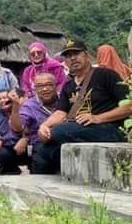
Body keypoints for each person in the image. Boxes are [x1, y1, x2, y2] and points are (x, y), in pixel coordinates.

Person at [33, 40, 129, 174]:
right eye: (68, 56)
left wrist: (98, 118)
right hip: (79, 129)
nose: (72, 58)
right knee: (41, 149)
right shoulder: (68, 85)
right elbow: (61, 112)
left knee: (59, 131)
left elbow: (129, 106)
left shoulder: (106, 75)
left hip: (110, 128)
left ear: (87, 55)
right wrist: (44, 126)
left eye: (76, 53)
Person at [13, 73, 59, 170]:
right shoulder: (29, 105)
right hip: (41, 144)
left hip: (63, 139)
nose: (45, 89)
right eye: (40, 86)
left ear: (56, 85)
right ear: (35, 89)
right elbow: (18, 127)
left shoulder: (65, 99)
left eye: (49, 84)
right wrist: (15, 107)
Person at [0, 90, 28, 174]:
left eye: (5, 98)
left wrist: (25, 138)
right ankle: (13, 172)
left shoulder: (23, 110)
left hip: (23, 146)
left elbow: (31, 129)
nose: (2, 101)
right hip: (6, 147)